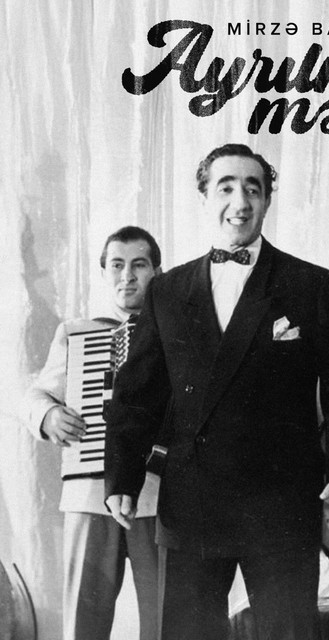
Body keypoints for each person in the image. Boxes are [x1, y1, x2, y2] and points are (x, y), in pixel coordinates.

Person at [104, 143, 329, 640]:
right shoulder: (167, 291)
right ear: (204, 197)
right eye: (226, 187)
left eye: (253, 189)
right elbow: (138, 394)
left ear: (267, 201)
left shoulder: (309, 285)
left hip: (281, 503)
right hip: (192, 503)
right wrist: (122, 475)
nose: (240, 202)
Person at [23, 226, 163, 640]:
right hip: (88, 494)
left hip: (156, 494)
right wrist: (48, 415)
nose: (127, 276)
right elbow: (36, 394)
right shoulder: (76, 333)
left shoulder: (173, 332)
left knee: (164, 619)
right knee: (84, 620)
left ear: (157, 272)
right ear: (104, 273)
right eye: (117, 265)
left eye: (139, 265)